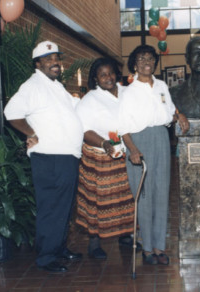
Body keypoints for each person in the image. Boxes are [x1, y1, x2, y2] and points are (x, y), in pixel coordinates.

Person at [4, 41, 84, 273]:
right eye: (48, 59)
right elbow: (11, 113)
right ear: (37, 63)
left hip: (66, 156)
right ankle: (46, 257)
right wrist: (31, 133)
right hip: (50, 157)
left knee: (64, 207)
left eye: (57, 58)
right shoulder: (32, 86)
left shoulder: (56, 86)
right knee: (51, 207)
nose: (55, 63)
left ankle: (58, 248)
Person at [119, 45, 189, 265]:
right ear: (134, 64)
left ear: (155, 63)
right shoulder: (129, 91)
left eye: (150, 58)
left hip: (160, 138)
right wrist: (133, 150)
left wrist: (180, 114)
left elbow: (170, 110)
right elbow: (122, 126)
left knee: (161, 194)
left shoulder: (161, 85)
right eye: (141, 58)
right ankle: (147, 249)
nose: (146, 61)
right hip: (138, 142)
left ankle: (159, 246)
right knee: (145, 196)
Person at [75, 58, 141, 259]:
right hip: (100, 158)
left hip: (125, 155)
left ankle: (124, 234)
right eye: (103, 75)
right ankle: (94, 243)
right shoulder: (90, 100)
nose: (108, 78)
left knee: (126, 198)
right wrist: (104, 143)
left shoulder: (126, 92)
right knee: (100, 201)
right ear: (96, 78)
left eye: (111, 73)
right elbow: (83, 130)